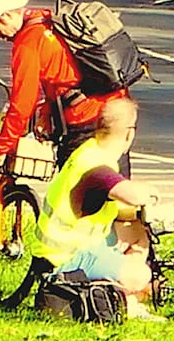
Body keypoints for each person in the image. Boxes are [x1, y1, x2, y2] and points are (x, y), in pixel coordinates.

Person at [31, 97, 161, 322]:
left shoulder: (89, 150)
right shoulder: (96, 166)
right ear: (129, 134)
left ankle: (118, 294)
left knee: (137, 232)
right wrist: (151, 192)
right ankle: (123, 300)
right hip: (65, 259)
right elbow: (132, 195)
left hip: (59, 251)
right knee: (140, 276)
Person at [0, 0, 128, 168]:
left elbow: (23, 102)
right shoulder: (47, 20)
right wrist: (47, 112)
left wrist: (2, 146)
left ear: (6, 16)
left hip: (86, 118)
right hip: (117, 108)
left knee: (73, 188)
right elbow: (60, 71)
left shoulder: (28, 43)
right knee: (117, 183)